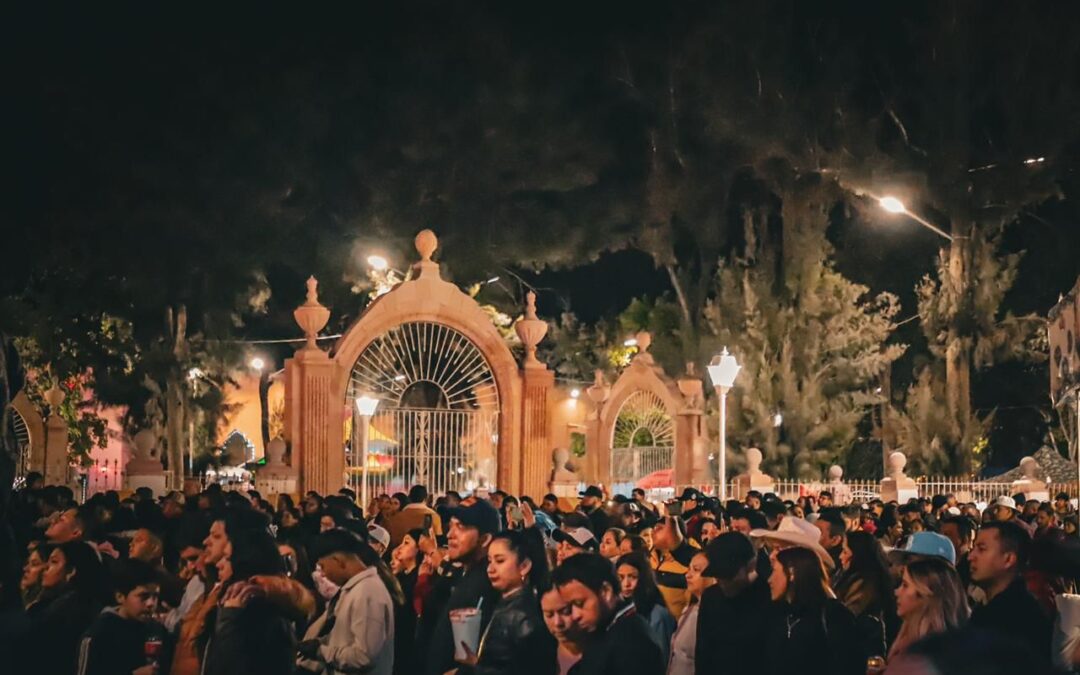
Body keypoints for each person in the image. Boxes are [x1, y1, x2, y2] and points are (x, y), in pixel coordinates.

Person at [454, 527, 556, 675]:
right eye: (489, 561)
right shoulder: (504, 601)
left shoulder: (524, 617)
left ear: (524, 566)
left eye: (500, 561)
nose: (490, 569)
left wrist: (475, 667)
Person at [298, 529, 395, 675]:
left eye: (323, 566)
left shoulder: (367, 592)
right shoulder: (354, 589)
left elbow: (363, 657)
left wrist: (321, 651)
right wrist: (320, 643)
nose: (322, 574)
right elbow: (344, 638)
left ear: (338, 561)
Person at [2, 541, 108, 674]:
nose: (46, 567)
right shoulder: (55, 606)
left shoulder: (65, 613)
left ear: (70, 571)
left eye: (54, 562)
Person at [202, 528, 298, 675]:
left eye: (227, 558)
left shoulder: (263, 615)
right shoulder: (232, 603)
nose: (219, 564)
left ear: (244, 562)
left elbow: (236, 666)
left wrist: (228, 620)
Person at [550, 553, 663, 675]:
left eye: (579, 603)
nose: (575, 615)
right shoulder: (606, 627)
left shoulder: (633, 642)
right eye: (569, 607)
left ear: (605, 591)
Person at [425, 499, 503, 675]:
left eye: (460, 527)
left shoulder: (486, 584)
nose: (450, 535)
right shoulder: (462, 574)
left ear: (485, 539)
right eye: (451, 526)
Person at [764, 546, 863, 675]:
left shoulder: (834, 616)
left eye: (774, 571)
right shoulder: (781, 613)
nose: (769, 579)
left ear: (792, 572)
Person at [968, 520, 1052, 663]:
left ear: (1008, 559)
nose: (971, 557)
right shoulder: (989, 608)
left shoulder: (1018, 617)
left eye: (981, 549)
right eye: (973, 548)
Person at [694, 532, 772, 674]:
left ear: (751, 565)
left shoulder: (769, 597)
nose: (722, 581)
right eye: (718, 575)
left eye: (729, 575)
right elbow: (703, 652)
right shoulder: (711, 596)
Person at [77, 559, 169, 675]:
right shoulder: (98, 635)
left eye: (155, 596)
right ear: (120, 597)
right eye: (143, 596)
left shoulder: (157, 631)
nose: (151, 603)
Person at [888, 556, 970, 661]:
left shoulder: (932, 655)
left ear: (926, 594)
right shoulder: (906, 638)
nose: (896, 592)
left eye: (905, 585)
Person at [833, 530, 896, 658]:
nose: (840, 556)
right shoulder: (850, 577)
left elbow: (845, 617)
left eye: (845, 551)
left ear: (858, 555)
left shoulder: (865, 585)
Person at [614, 553, 675, 661]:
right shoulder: (616, 608)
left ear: (644, 578)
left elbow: (661, 658)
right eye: (621, 577)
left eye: (632, 577)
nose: (626, 584)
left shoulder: (657, 614)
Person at [665, 550, 714, 675]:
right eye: (689, 569)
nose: (688, 575)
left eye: (696, 570)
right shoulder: (690, 609)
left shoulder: (714, 617)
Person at [650, 516, 695, 617]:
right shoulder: (648, 558)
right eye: (654, 528)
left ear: (676, 532)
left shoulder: (688, 564)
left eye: (659, 528)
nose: (653, 532)